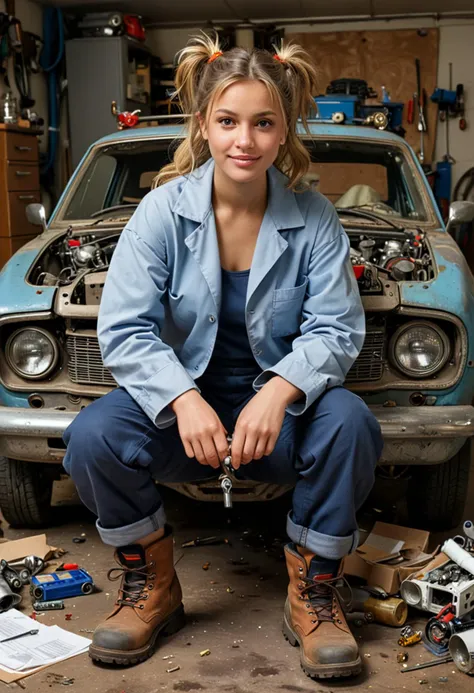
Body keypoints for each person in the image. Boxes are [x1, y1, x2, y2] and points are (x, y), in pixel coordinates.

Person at [62, 33, 383, 679]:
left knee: (352, 424)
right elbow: (125, 329)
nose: (246, 140)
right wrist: (183, 398)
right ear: (203, 125)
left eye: (264, 123)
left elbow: (336, 329)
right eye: (229, 121)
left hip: (279, 416)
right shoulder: (160, 213)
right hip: (185, 416)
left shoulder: (315, 217)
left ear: (285, 128)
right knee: (92, 437)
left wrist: (279, 391)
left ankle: (312, 594)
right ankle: (153, 587)